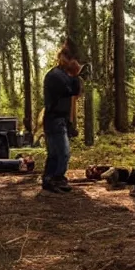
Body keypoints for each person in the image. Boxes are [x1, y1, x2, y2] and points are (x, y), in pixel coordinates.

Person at [41, 39, 83, 193]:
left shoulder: (64, 75)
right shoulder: (55, 75)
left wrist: (75, 75)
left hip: (59, 120)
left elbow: (75, 93)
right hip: (54, 119)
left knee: (55, 153)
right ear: (62, 58)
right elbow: (70, 90)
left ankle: (50, 179)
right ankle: (55, 178)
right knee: (62, 153)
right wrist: (75, 75)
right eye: (69, 58)